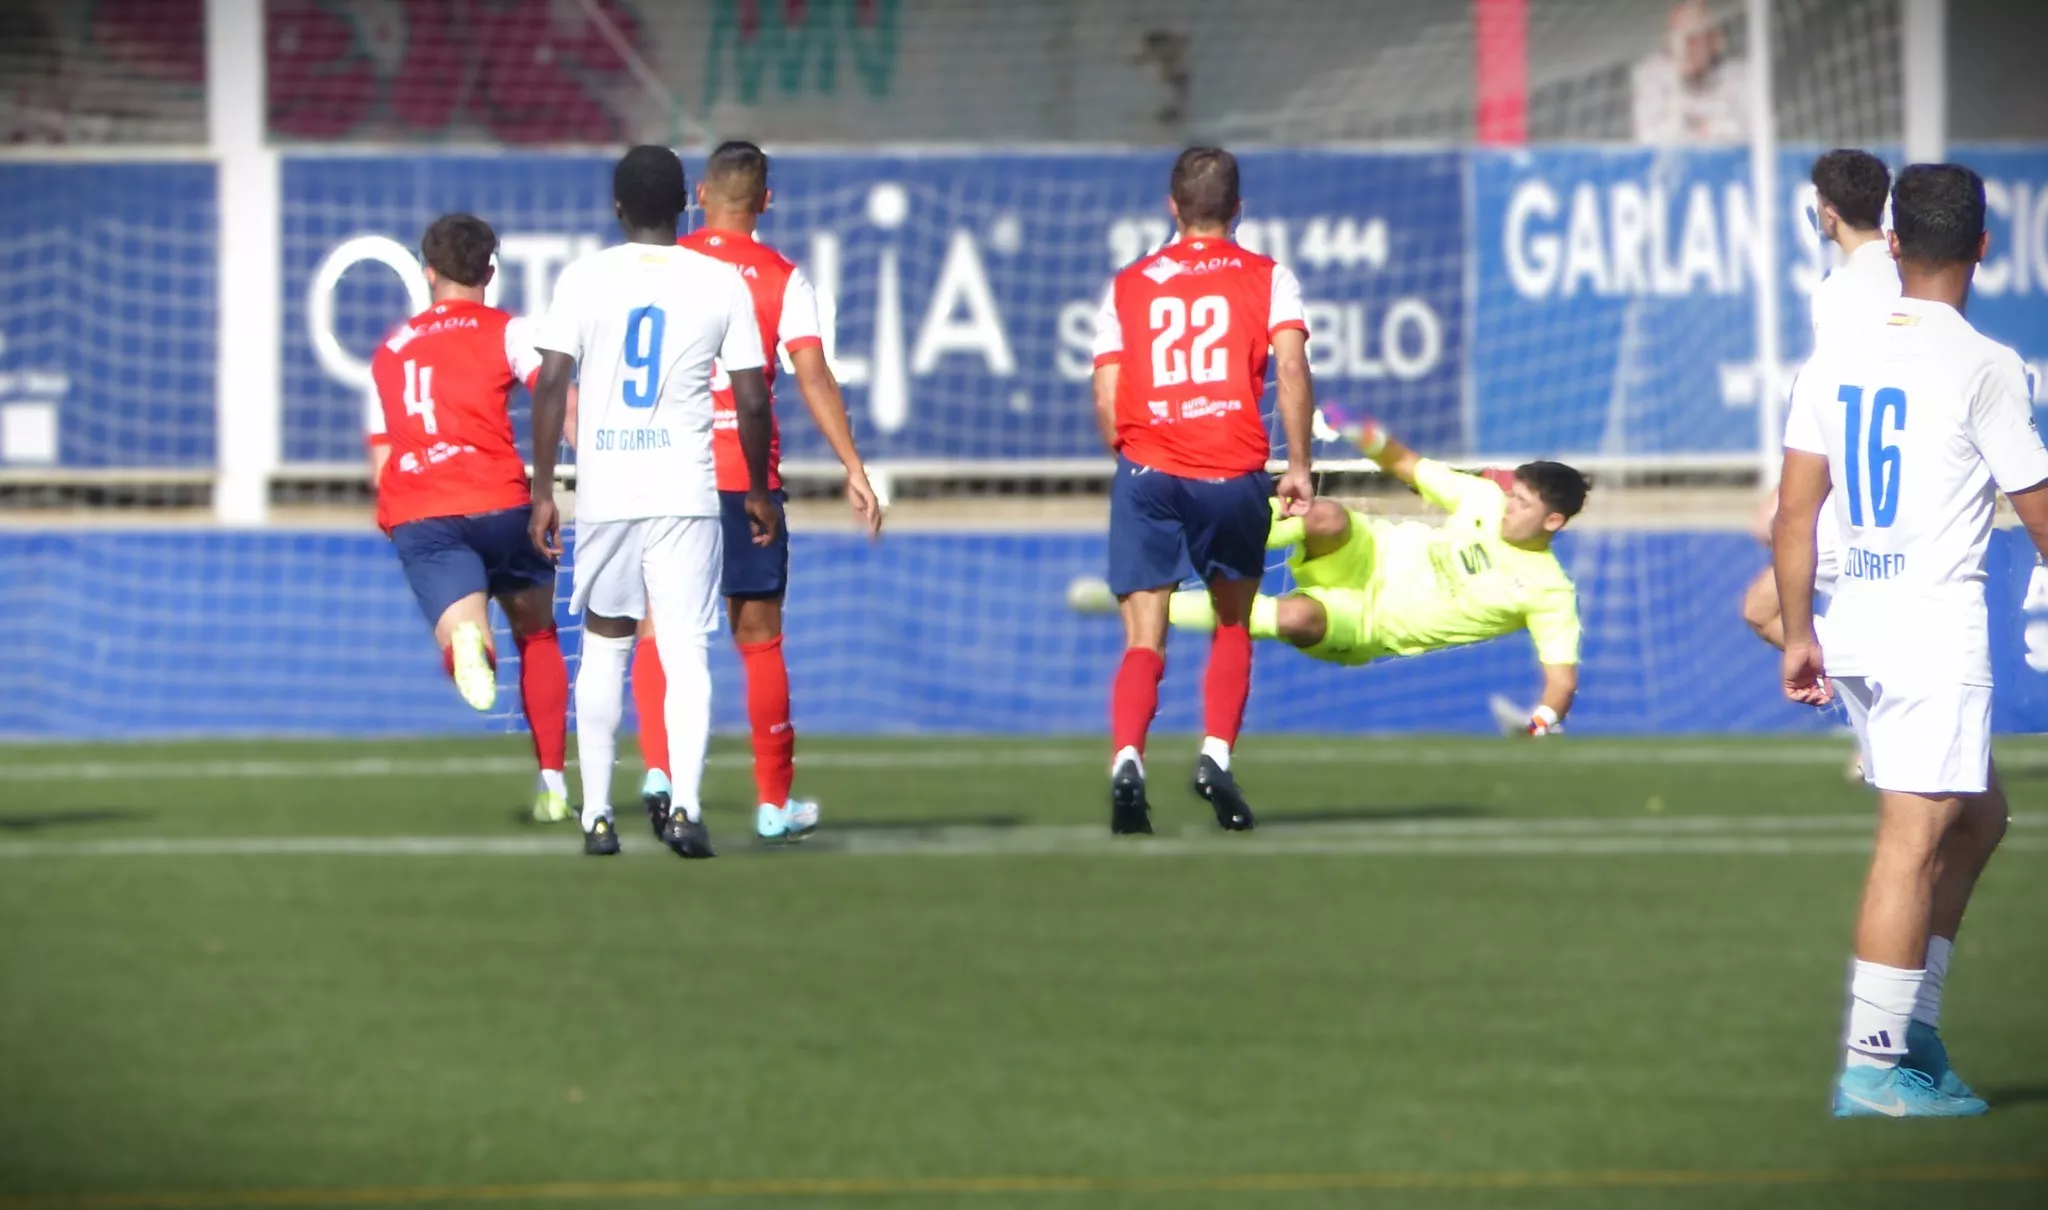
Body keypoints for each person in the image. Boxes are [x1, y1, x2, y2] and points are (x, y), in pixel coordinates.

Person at [1776, 162, 2048, 1117]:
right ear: (1984, 245)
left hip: (1856, 623)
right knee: (1915, 835)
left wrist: (1799, 632)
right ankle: (1876, 1063)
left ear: (1893, 244)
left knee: (1978, 817)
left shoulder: (1836, 355)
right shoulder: (1984, 362)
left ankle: (1912, 1025)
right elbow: (2039, 502)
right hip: (1929, 630)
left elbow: (1794, 512)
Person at [631, 140, 883, 846]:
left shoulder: (660, 269)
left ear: (700, 195)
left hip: (667, 474)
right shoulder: (781, 277)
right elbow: (813, 376)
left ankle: (658, 771)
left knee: (660, 626)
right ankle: (773, 804)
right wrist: (853, 466)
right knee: (760, 638)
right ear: (766, 202)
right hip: (746, 482)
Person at [528, 145, 775, 858]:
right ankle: (689, 809)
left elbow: (550, 384)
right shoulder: (720, 280)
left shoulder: (585, 277)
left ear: (616, 207)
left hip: (608, 492)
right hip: (685, 493)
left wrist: (545, 490)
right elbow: (753, 397)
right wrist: (756, 489)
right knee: (688, 650)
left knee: (605, 648)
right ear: (686, 206)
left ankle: (598, 816)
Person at [1078, 418, 1584, 732]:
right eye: (1511, 494)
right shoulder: (1482, 498)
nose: (1506, 507)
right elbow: (1405, 463)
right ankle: (1182, 539)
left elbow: (1561, 680)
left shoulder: (1550, 592)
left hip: (1368, 622)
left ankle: (1143, 602)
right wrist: (1350, 422)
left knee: (1298, 616)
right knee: (1322, 515)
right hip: (1369, 553)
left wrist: (1539, 723)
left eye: (1520, 504)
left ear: (1553, 521)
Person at [1091, 146, 1315, 835]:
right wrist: (1299, 464)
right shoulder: (1267, 277)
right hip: (1232, 470)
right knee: (1231, 621)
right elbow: (1292, 368)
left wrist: (1137, 453)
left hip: (1150, 472)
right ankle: (1215, 753)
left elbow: (1107, 395)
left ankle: (1128, 758)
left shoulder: (1129, 284)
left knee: (1142, 639)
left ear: (1172, 206)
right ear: (1238, 208)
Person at [367, 213, 570, 824]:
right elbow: (560, 398)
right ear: (489, 271)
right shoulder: (510, 331)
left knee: (469, 634)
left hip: (424, 509)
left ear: (427, 274)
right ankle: (554, 784)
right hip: (502, 501)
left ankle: (465, 644)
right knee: (536, 633)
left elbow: (383, 456)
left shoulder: (390, 352)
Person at [1742, 150, 1896, 651]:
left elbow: (1838, 397)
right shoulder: (1909, 272)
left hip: (1860, 476)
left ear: (1828, 213)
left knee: (1765, 608)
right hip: (1902, 469)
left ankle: (1862, 685)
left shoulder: (1838, 291)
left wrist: (1792, 496)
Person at [1630, 0, 1748, 144]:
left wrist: (1710, 129)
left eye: (1694, 38)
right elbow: (1648, 137)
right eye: (1678, 37)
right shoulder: (1650, 75)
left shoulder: (1739, 76)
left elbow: (1751, 133)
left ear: (1714, 41)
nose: (1685, 46)